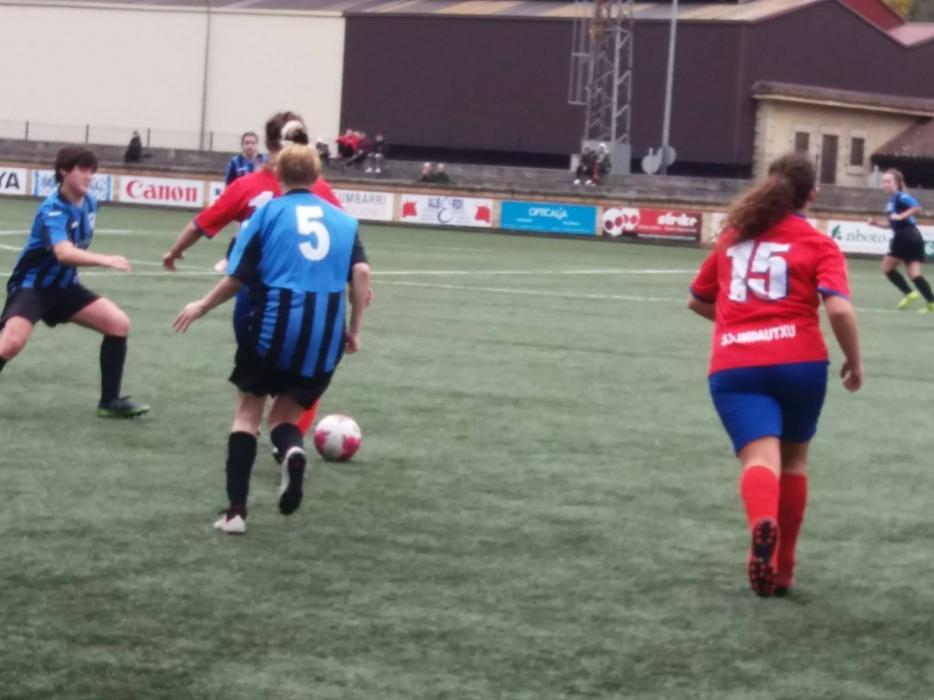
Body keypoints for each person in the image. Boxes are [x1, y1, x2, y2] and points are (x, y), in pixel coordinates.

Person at [172, 143, 372, 535]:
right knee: (283, 417)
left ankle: (235, 514)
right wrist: (354, 329)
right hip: (325, 336)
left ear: (277, 174)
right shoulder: (344, 221)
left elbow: (239, 276)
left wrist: (203, 305)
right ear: (317, 177)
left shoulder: (264, 214)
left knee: (248, 414)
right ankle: (292, 449)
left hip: (273, 328)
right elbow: (361, 274)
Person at [688, 153, 862, 598]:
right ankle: (783, 570)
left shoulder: (733, 237)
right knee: (795, 462)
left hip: (736, 365)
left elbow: (698, 299)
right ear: (811, 195)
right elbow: (839, 309)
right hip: (800, 362)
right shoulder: (818, 243)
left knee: (760, 461)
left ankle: (761, 524)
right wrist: (854, 360)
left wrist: (738, 326)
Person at [162, 111, 343, 440]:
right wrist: (357, 279)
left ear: (270, 145)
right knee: (304, 370)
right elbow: (343, 238)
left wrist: (174, 252)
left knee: (253, 370)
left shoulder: (247, 186)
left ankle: (249, 429)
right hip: (305, 298)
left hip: (251, 295)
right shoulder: (318, 189)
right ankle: (287, 440)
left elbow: (202, 224)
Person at [0, 146, 149, 418]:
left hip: (65, 287)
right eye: (82, 169)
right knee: (11, 343)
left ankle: (110, 402)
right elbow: (63, 253)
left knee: (118, 324)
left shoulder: (91, 203)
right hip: (33, 286)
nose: (89, 176)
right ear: (64, 171)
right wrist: (105, 259)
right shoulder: (52, 208)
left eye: (92, 170)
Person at [868, 169, 934, 312]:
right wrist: (876, 223)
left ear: (897, 183)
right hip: (913, 236)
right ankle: (931, 303)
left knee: (886, 268)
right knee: (914, 274)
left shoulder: (900, 196)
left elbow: (917, 207)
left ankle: (909, 293)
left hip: (905, 236)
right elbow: (891, 224)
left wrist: (900, 216)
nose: (885, 184)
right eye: (883, 182)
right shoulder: (893, 200)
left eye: (888, 181)